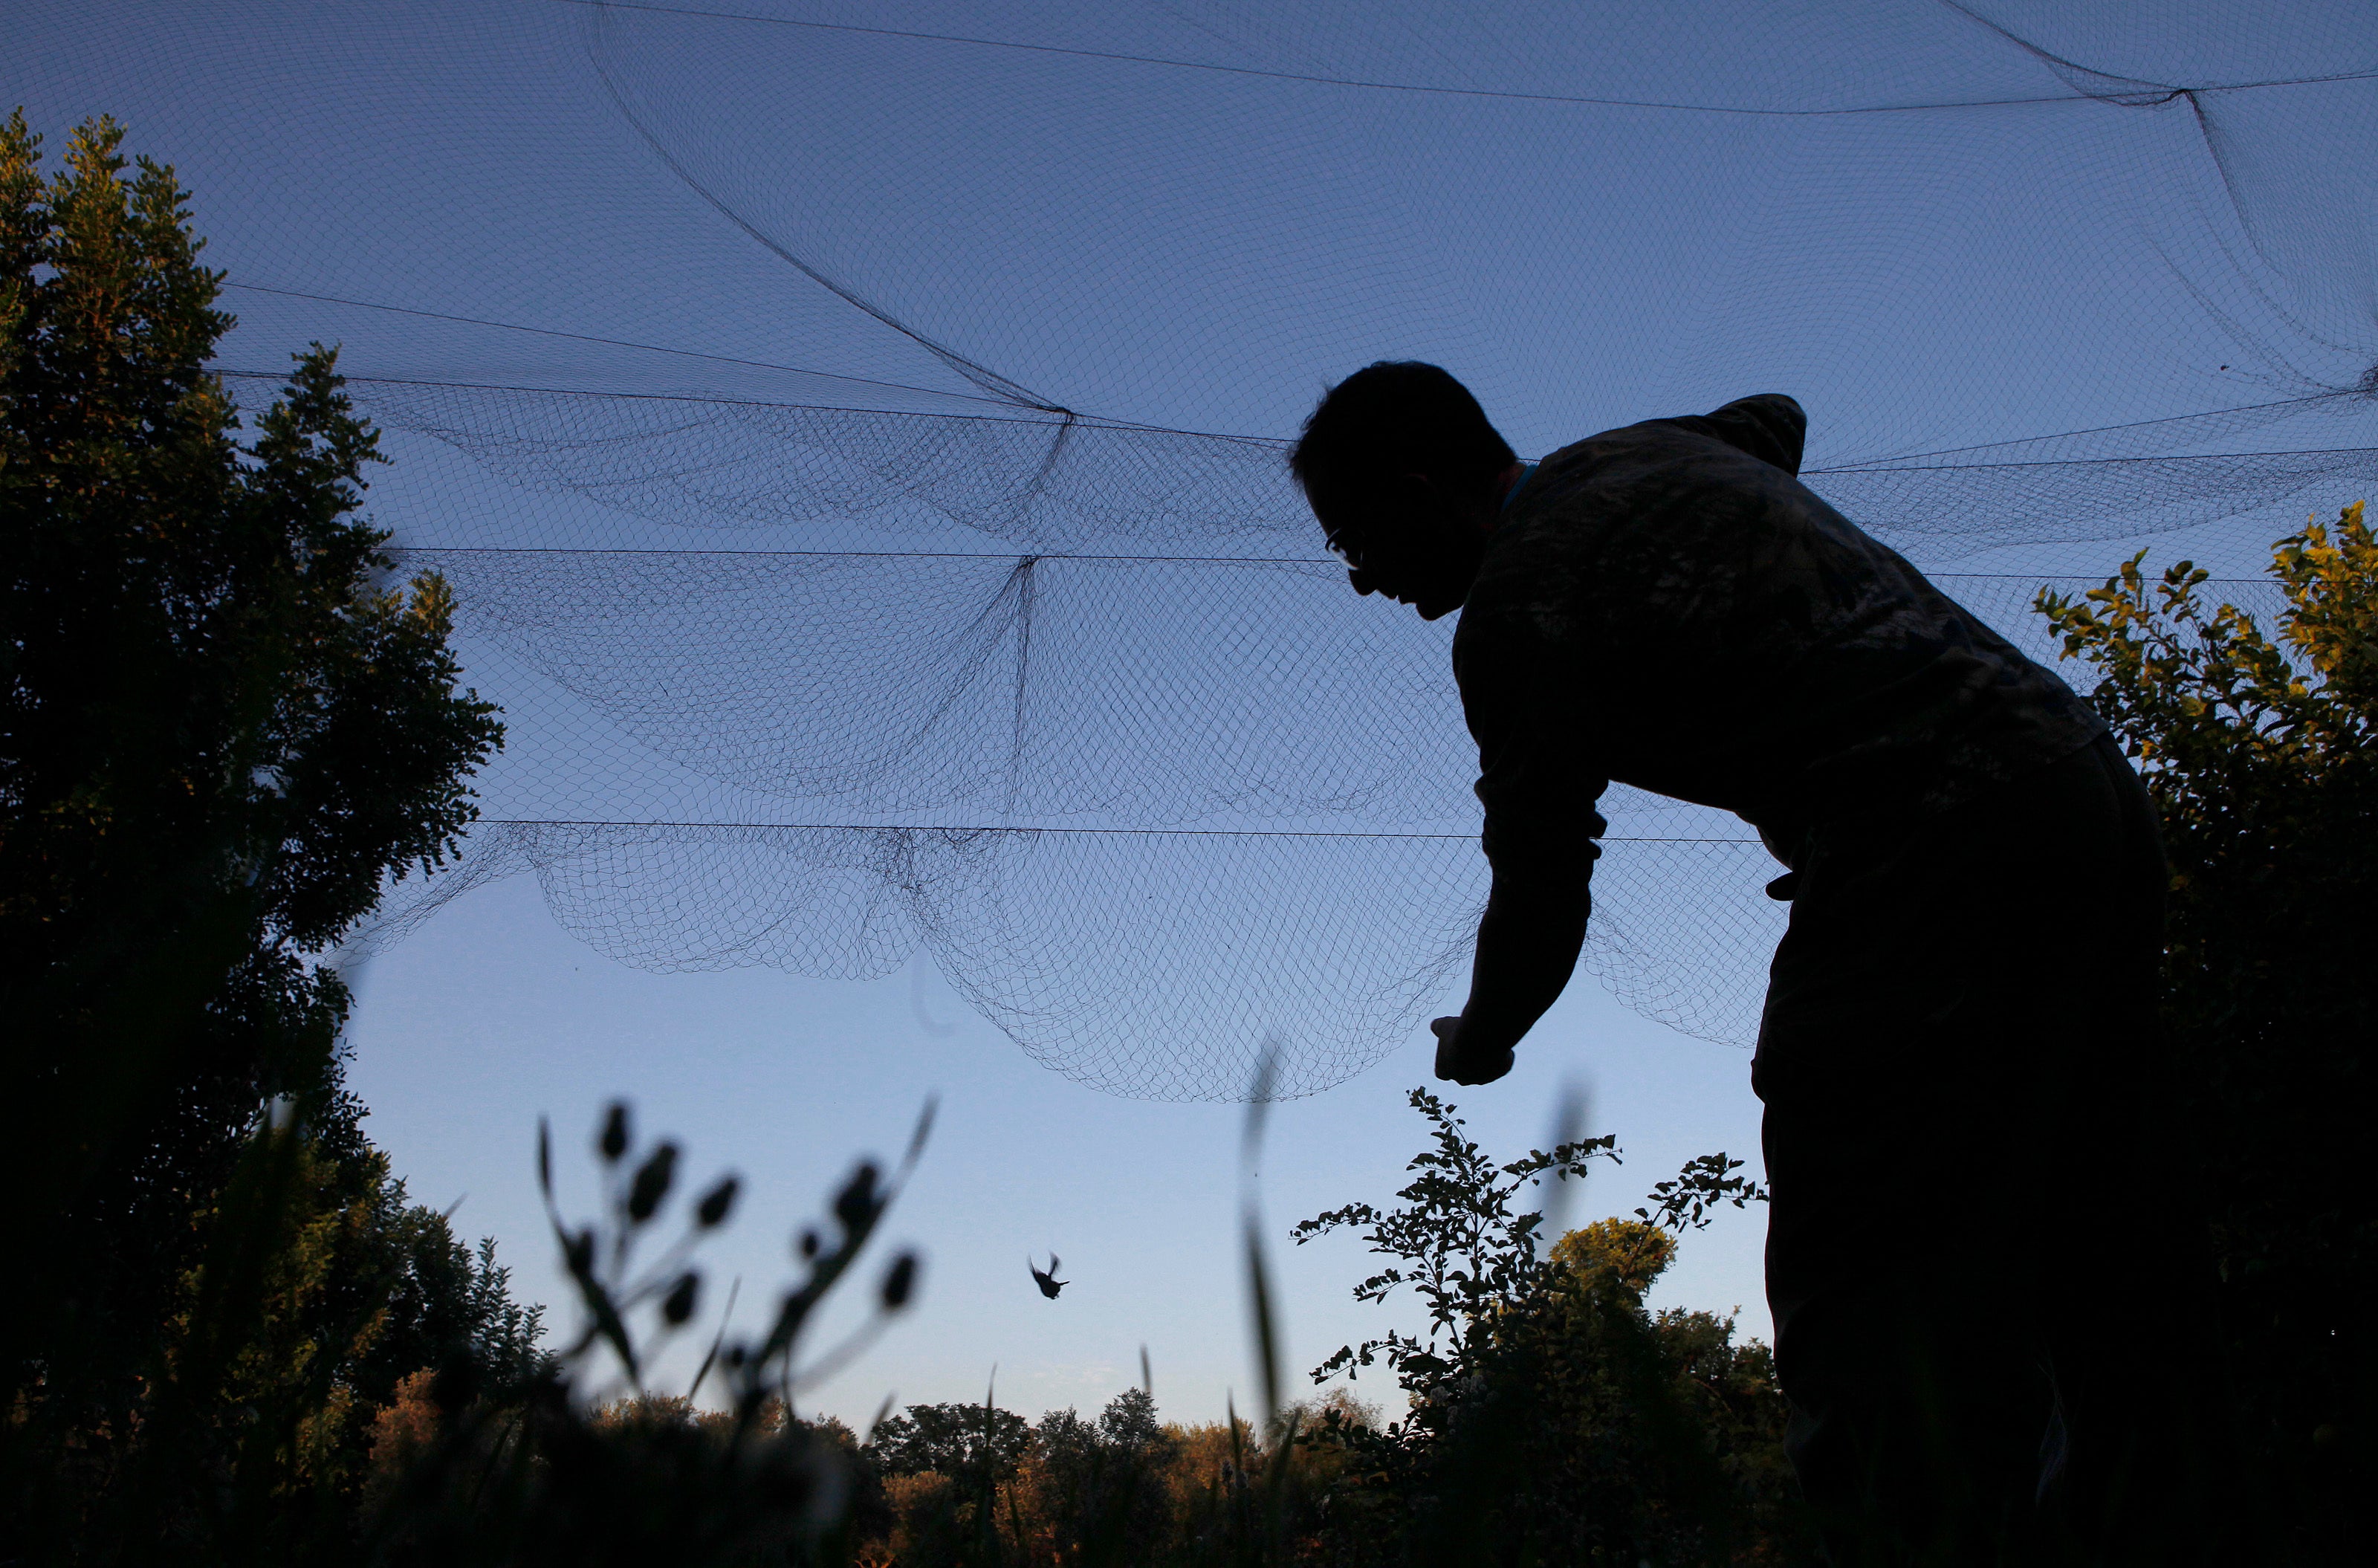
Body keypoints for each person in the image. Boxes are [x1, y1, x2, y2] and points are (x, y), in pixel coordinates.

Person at [1289, 362, 2235, 1566]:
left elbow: (1541, 887)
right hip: (2080, 786)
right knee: (2109, 1244)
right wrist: (1706, 474)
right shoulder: (1634, 453)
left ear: (1422, 487)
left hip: (1924, 836)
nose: (1364, 577)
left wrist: (1484, 1033)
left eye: (1356, 539)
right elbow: (1773, 417)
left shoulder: (1516, 612)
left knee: (1867, 1289)